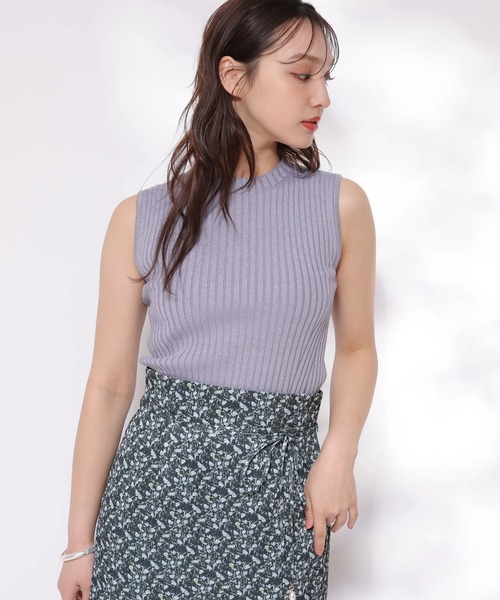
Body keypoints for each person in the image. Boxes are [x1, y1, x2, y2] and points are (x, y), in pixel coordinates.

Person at [57, 0, 377, 598]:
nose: (322, 97)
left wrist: (339, 453)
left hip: (280, 500)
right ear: (234, 76)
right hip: (150, 510)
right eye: (302, 74)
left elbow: (357, 347)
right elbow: (108, 386)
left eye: (326, 77)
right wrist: (80, 544)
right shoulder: (141, 218)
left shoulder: (341, 207)